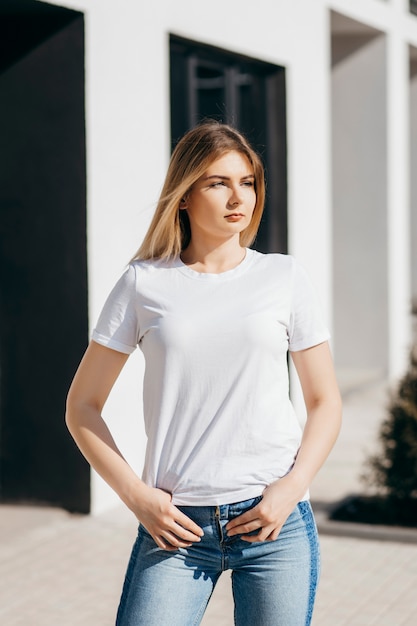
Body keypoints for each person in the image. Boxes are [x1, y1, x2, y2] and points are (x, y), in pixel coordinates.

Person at [66, 120, 342, 626]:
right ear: (185, 196)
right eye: (218, 182)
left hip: (273, 521)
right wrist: (135, 496)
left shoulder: (283, 277)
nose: (239, 197)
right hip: (175, 527)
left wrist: (293, 485)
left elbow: (325, 400)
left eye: (248, 182)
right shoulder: (143, 283)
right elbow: (82, 406)